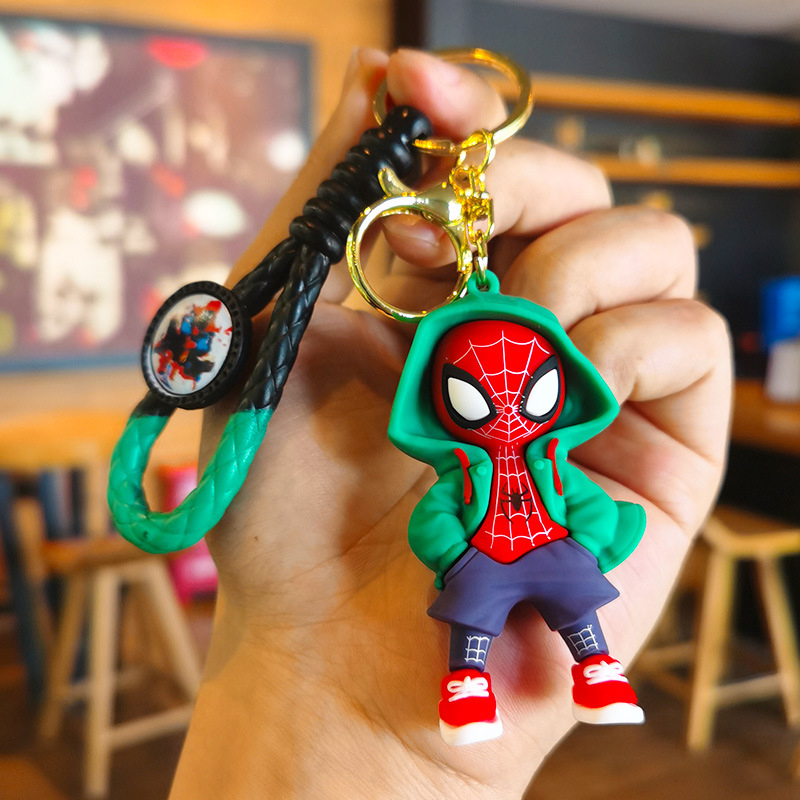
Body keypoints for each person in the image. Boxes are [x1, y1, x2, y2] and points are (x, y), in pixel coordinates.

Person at [168, 48, 732, 799]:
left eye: (525, 394)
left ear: (558, 393)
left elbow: (587, 507)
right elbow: (436, 515)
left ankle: (596, 670)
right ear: (440, 404)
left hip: (549, 542)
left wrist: (603, 531)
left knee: (579, 593)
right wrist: (445, 553)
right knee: (472, 612)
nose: (507, 411)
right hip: (486, 553)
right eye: (482, 398)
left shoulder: (551, 464)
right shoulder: (461, 468)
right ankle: (466, 685)